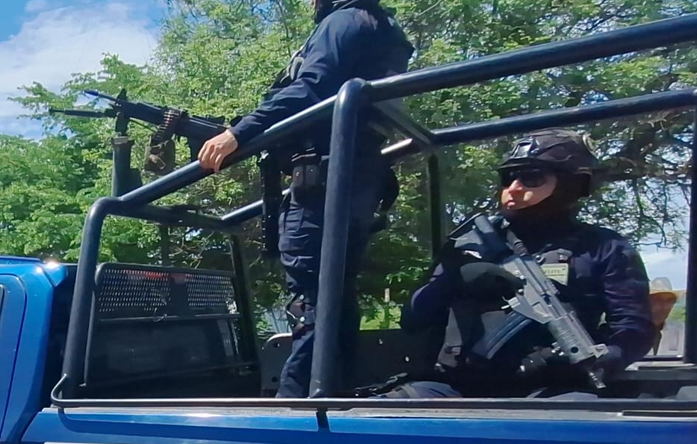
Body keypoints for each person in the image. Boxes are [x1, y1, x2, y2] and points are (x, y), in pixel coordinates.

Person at [198, 0, 415, 398]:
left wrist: (239, 133)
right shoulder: (381, 28)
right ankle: (333, 391)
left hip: (326, 175)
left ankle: (299, 400)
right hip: (356, 173)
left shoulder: (343, 21)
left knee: (312, 292)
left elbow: (312, 86)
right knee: (334, 289)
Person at [386, 129, 654, 399]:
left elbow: (633, 329)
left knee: (579, 413)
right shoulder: (468, 245)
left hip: (550, 390)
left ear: (570, 184)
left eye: (532, 178)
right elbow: (412, 319)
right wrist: (455, 278)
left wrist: (592, 360)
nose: (513, 188)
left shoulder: (603, 247)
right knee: (386, 409)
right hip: (456, 387)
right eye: (508, 178)